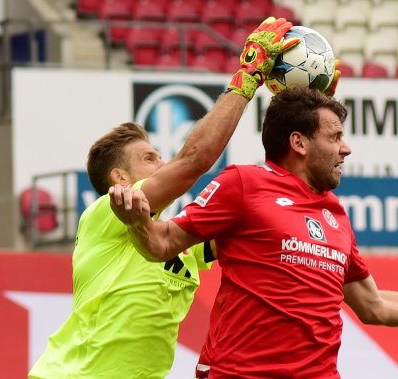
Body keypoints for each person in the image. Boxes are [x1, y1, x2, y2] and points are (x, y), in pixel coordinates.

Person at [109, 88, 398, 378]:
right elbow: (163, 243)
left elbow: (374, 306)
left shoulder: (336, 215)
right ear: (298, 143)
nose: (346, 148)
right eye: (335, 136)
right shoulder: (244, 184)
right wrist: (136, 220)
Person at [28, 17, 301, 379]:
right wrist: (247, 77)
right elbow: (196, 161)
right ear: (120, 178)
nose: (162, 161)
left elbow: (258, 223)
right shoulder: (108, 212)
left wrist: (304, 134)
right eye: (149, 157)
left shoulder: (177, 237)